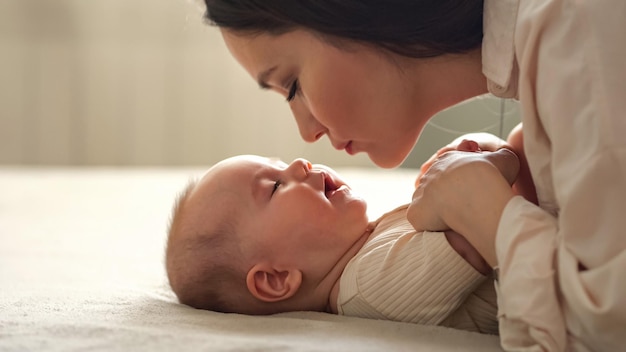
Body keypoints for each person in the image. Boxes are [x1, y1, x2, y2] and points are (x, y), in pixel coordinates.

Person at [201, 1, 626, 350]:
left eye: (292, 85)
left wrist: (483, 205)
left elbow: (605, 331)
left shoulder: (575, 26)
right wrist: (495, 185)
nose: (306, 135)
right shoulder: (363, 287)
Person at [165, 133, 528, 335]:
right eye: (275, 186)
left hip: (534, 233)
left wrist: (461, 158)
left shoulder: (365, 251)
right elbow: (474, 228)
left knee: (525, 140)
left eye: (280, 162)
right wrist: (485, 163)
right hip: (555, 279)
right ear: (276, 279)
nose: (299, 164)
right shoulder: (368, 288)